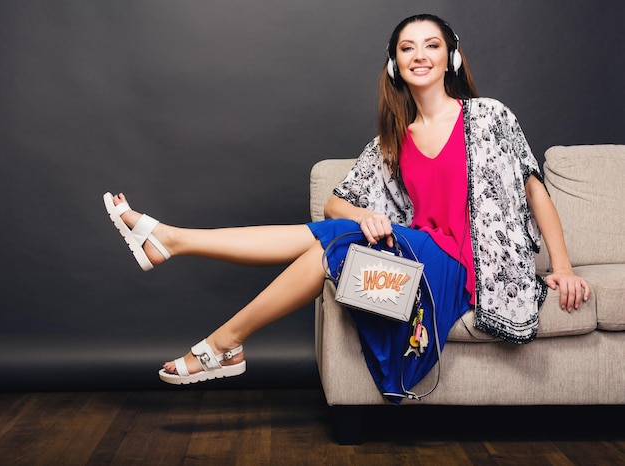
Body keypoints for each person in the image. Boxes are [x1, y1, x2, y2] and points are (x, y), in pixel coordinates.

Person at [103, 14, 589, 402]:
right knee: (330, 245)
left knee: (331, 240)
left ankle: (177, 250)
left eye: (432, 45)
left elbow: (534, 189)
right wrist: (365, 216)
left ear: (452, 57)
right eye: (407, 48)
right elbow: (338, 202)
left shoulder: (489, 117)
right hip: (414, 259)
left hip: (460, 272)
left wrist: (562, 266)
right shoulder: (391, 143)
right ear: (395, 64)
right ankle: (214, 328)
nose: (420, 55)